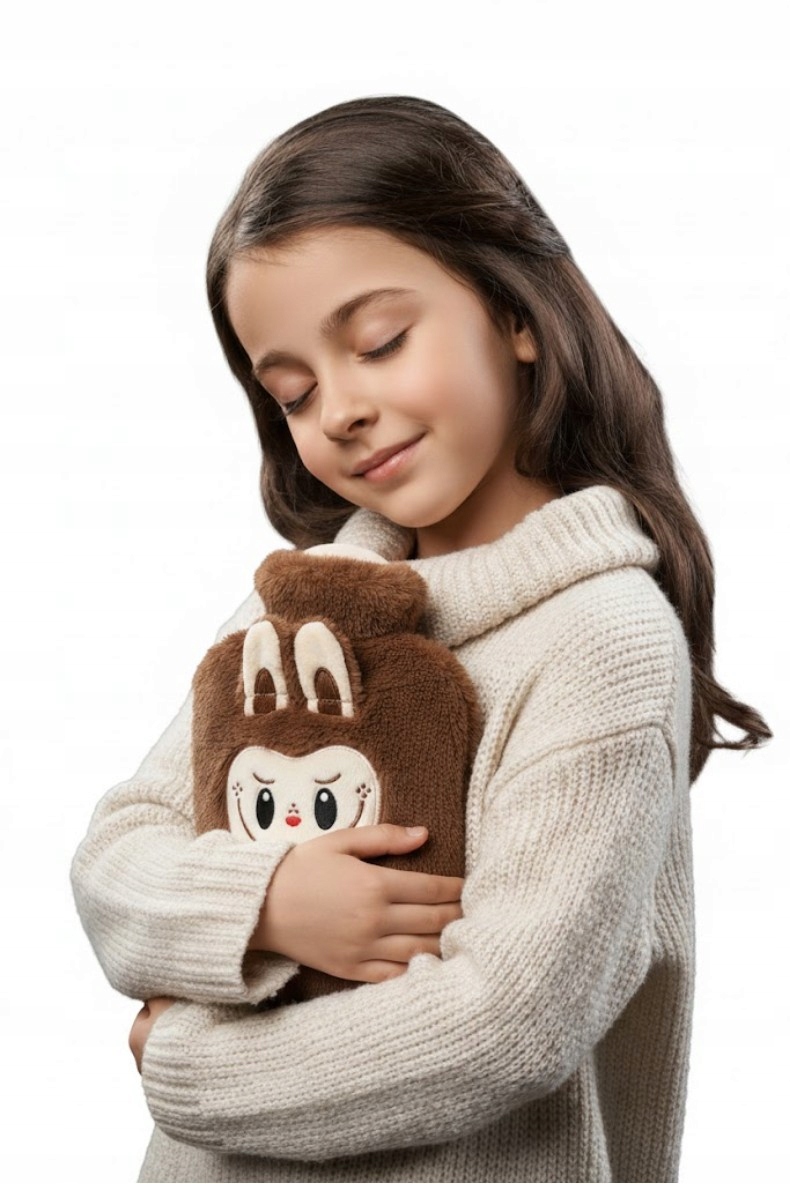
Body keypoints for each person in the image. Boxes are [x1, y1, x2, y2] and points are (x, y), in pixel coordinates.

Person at [70, 94, 772, 1184]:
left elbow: (508, 1020)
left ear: (516, 312)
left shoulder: (602, 643)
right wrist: (270, 902)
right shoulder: (298, 610)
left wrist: (190, 1064)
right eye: (293, 391)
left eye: (380, 343)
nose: (339, 409)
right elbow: (115, 860)